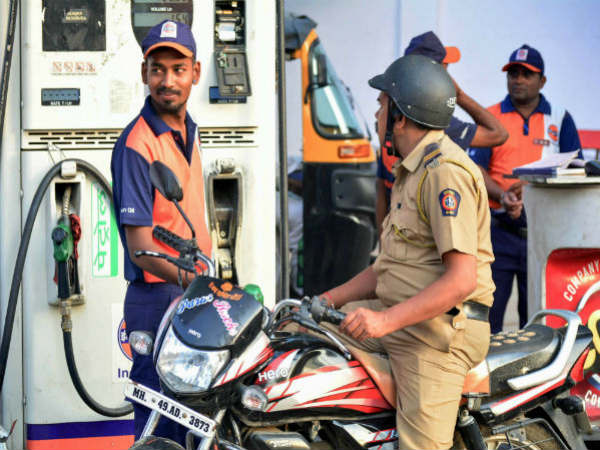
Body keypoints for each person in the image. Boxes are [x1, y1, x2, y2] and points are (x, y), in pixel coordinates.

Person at [320, 54, 495, 449]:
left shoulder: (443, 173)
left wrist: (383, 322)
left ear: (400, 117)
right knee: (300, 341)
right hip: (400, 318)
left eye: (382, 105)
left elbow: (461, 280)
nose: (376, 114)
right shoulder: (410, 169)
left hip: (437, 335)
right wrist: (326, 299)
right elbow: (386, 267)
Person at [110, 20, 212, 444]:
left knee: (195, 424)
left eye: (178, 69)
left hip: (190, 297)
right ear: (144, 73)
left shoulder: (189, 132)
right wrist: (200, 281)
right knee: (159, 429)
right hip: (155, 303)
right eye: (158, 69)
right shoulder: (137, 144)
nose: (167, 80)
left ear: (196, 73)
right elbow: (140, 248)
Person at [469, 44, 582, 333]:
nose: (518, 80)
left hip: (544, 235)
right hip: (497, 232)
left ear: (542, 81)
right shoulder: (490, 117)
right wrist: (503, 196)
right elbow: (476, 169)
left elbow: (576, 169)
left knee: (537, 322)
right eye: (513, 73)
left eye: (526, 74)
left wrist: (533, 185)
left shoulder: (560, 118)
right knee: (487, 321)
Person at [376, 31, 508, 236]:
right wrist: (459, 95)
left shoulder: (391, 114)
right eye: (445, 69)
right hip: (419, 238)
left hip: (397, 235)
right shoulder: (436, 124)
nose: (448, 75)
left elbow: (380, 189)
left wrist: (382, 239)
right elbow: (498, 134)